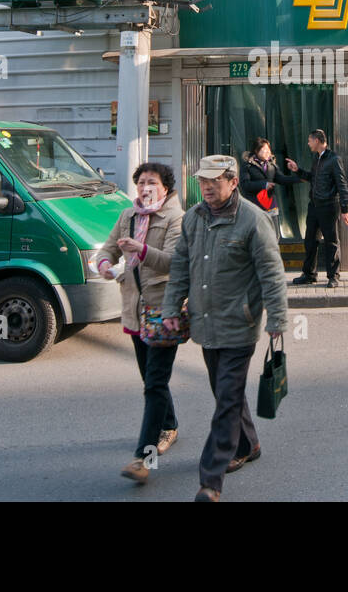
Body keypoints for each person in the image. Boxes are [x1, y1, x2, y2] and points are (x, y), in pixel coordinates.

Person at [162, 155, 288, 503]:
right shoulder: (193, 218)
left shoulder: (253, 220)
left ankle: (211, 481)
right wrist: (172, 307)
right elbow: (181, 267)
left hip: (240, 324)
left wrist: (277, 320)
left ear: (233, 182)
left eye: (215, 181)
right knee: (225, 392)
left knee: (227, 399)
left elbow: (272, 275)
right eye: (203, 181)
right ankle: (250, 443)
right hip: (205, 324)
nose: (207, 187)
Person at [96, 162, 185, 484]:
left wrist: (142, 250)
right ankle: (170, 425)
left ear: (165, 187)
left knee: (154, 383)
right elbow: (107, 249)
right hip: (133, 309)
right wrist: (105, 264)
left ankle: (142, 458)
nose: (145, 188)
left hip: (163, 310)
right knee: (151, 378)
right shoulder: (127, 216)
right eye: (141, 182)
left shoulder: (176, 217)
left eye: (152, 182)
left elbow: (175, 261)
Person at [285, 129, 348, 287]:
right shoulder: (317, 158)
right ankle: (309, 274)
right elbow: (312, 178)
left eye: (310, 140)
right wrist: (298, 170)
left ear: (317, 140)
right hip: (314, 206)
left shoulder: (334, 159)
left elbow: (342, 185)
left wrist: (345, 209)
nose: (308, 143)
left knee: (331, 242)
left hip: (329, 206)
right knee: (310, 241)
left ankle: (333, 276)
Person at [239, 137, 299, 241]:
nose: (268, 152)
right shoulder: (247, 166)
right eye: (264, 150)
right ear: (256, 151)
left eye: (268, 150)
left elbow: (282, 179)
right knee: (257, 237)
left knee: (274, 237)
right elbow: (245, 185)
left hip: (270, 204)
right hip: (255, 205)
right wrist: (264, 185)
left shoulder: (271, 164)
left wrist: (300, 177)